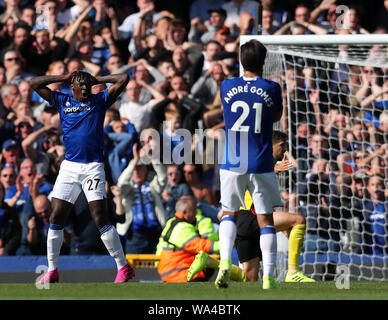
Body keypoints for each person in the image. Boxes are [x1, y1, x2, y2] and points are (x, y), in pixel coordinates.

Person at [28, 70, 134, 284]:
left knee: (100, 218)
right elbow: (34, 82)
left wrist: (98, 80)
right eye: (81, 85)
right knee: (56, 216)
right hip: (69, 167)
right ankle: (52, 271)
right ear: (72, 87)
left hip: (93, 167)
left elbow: (123, 78)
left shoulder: (100, 100)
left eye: (88, 85)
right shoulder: (62, 100)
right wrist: (63, 78)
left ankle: (123, 267)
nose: (85, 88)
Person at [188, 131, 315, 283]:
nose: (285, 150)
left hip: (244, 223)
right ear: (279, 145)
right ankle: (293, 272)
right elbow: (255, 174)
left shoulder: (262, 164)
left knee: (250, 278)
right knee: (299, 220)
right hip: (249, 216)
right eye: (284, 146)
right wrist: (275, 168)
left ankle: (209, 261)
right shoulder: (261, 161)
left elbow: (262, 196)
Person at [216, 39, 282, 290]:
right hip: (261, 161)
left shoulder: (227, 85)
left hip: (233, 160)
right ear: (263, 62)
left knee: (229, 213)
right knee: (265, 220)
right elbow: (276, 116)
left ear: (241, 61)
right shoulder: (272, 87)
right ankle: (268, 278)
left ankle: (224, 262)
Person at [156, 195, 232, 282]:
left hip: (173, 270)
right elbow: (200, 246)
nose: (196, 213)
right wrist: (228, 244)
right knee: (208, 262)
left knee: (207, 263)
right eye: (193, 210)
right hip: (180, 272)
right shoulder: (182, 228)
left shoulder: (172, 222)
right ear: (184, 212)